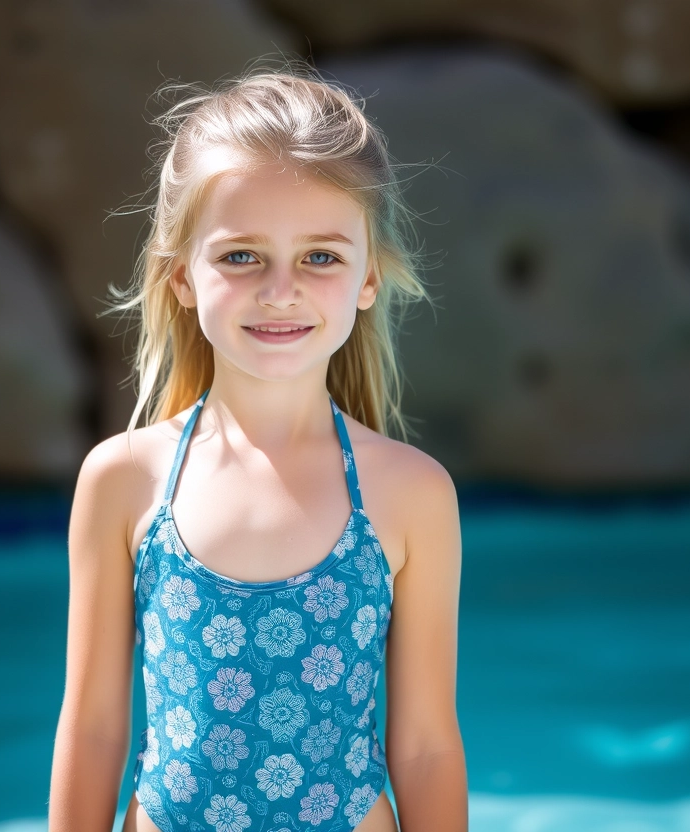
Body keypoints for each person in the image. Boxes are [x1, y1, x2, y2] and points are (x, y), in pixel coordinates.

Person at [48, 63, 467, 832]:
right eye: (242, 256)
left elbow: (427, 744)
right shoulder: (126, 481)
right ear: (180, 276)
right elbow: (94, 728)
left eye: (321, 256)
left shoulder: (410, 493)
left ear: (368, 276)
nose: (281, 290)